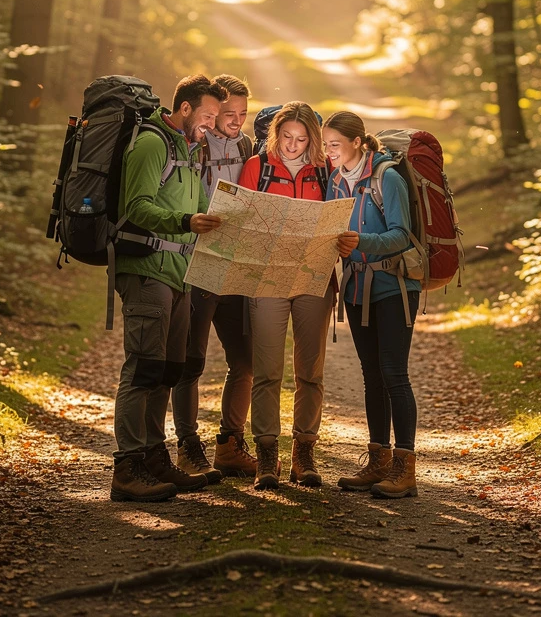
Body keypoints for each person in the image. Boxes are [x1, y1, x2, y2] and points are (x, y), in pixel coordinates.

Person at [109, 74, 225, 503]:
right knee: (142, 368)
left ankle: (155, 459)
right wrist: (184, 223)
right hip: (146, 269)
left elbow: (195, 210)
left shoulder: (190, 150)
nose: (211, 124)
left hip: (179, 273)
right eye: (208, 115)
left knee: (168, 371)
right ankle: (127, 467)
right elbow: (136, 206)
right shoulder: (153, 143)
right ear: (185, 107)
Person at [324, 111, 420, 499]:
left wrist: (361, 242)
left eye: (335, 144)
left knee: (394, 374)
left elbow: (402, 234)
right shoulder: (335, 181)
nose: (329, 152)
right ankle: (377, 461)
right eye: (326, 144)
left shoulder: (387, 178)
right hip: (356, 290)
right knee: (371, 375)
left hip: (394, 286)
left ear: (358, 143)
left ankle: (404, 468)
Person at [237, 101, 331, 489]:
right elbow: (238, 218)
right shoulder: (257, 168)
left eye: (301, 139)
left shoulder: (325, 171)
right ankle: (267, 458)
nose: (292, 146)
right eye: (286, 138)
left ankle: (304, 455)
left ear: (313, 139)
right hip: (267, 279)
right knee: (267, 370)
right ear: (275, 135)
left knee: (310, 371)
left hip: (314, 278)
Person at [171, 74, 257, 483]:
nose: (236, 120)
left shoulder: (247, 146)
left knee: (246, 361)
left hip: (237, 265)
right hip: (197, 263)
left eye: (243, 113)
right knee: (192, 361)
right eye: (228, 113)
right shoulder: (196, 142)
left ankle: (230, 444)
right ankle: (188, 448)